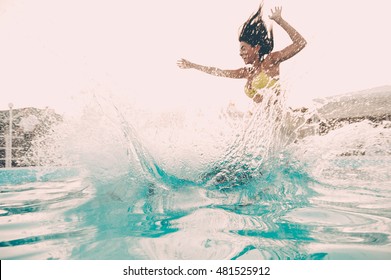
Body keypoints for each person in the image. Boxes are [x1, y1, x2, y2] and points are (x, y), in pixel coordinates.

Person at [177, 5, 306, 104]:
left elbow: (300, 43)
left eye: (244, 49)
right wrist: (192, 65)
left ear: (256, 48)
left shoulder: (271, 60)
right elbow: (218, 71)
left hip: (283, 120)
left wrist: (280, 20)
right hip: (268, 127)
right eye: (240, 50)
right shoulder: (246, 73)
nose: (240, 53)